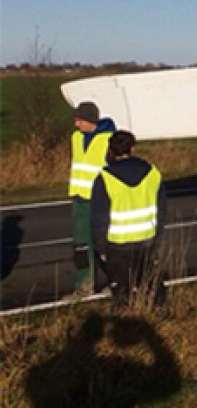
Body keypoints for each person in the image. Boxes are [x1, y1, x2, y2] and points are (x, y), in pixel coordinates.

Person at [90, 130, 167, 308]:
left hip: (117, 245)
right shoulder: (152, 173)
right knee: (152, 288)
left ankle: (126, 319)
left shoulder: (105, 178)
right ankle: (159, 316)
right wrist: (157, 238)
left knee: (122, 295)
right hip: (146, 241)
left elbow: (99, 218)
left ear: (110, 151)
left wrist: (101, 247)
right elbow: (162, 210)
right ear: (132, 149)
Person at [69, 101, 116, 295]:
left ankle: (116, 282)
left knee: (104, 244)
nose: (76, 124)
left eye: (80, 120)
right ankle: (84, 285)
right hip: (80, 199)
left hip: (101, 201)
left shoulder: (109, 140)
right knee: (81, 245)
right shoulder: (76, 138)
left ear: (90, 120)